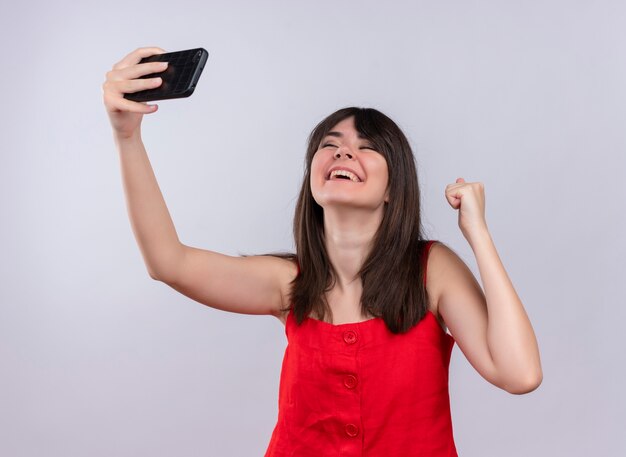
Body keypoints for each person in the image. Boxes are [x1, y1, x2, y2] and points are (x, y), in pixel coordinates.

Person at [102, 47, 543, 456]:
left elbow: (519, 374)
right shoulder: (288, 282)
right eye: (330, 144)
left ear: (394, 187)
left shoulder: (432, 270)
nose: (343, 151)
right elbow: (167, 262)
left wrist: (478, 234)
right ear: (313, 177)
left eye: (366, 148)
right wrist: (127, 137)